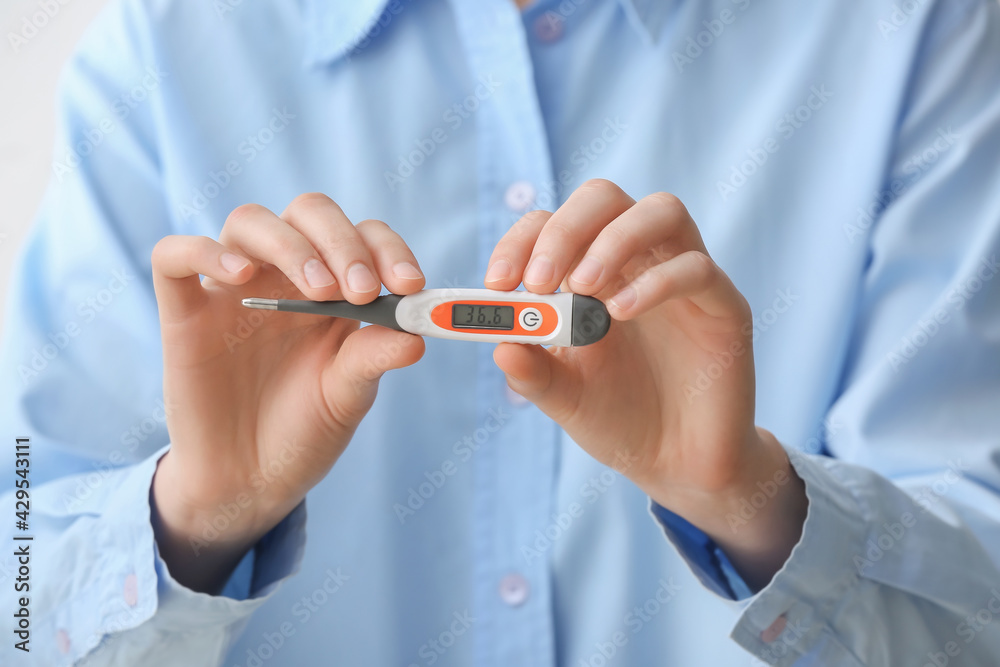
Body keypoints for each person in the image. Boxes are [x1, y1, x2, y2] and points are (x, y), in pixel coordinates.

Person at [3, 0, 1000, 664]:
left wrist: (752, 504)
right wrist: (195, 520)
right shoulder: (165, 52)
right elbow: (18, 604)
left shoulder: (915, 32)